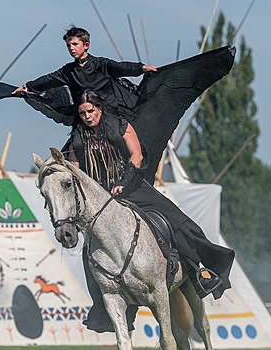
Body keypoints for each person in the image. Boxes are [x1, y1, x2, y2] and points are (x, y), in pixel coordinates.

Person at [64, 90, 235, 333]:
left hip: (132, 188)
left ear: (100, 109)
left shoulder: (120, 125)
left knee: (177, 221)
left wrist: (123, 181)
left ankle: (199, 271)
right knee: (88, 251)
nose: (87, 116)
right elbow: (76, 167)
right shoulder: (78, 136)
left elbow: (137, 155)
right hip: (102, 200)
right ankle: (101, 309)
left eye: (91, 111)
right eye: (82, 113)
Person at [13, 25, 157, 109]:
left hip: (108, 115)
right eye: (68, 46)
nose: (71, 48)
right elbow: (47, 80)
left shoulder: (101, 64)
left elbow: (121, 67)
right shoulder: (68, 71)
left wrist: (142, 68)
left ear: (86, 45)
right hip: (83, 117)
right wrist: (27, 87)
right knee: (69, 152)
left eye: (75, 44)